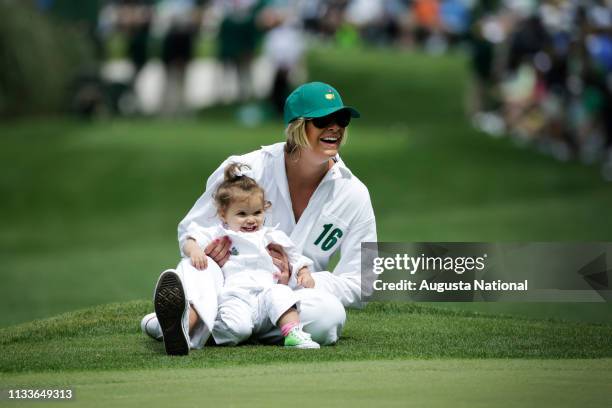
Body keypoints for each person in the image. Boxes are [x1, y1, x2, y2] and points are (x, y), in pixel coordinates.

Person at [141, 81, 377, 354]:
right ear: (297, 126)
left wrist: (301, 279)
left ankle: (183, 326)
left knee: (329, 316)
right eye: (323, 119)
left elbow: (365, 281)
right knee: (200, 267)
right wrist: (209, 251)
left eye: (342, 119)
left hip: (285, 300)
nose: (335, 127)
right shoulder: (246, 168)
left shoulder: (354, 193)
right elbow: (193, 228)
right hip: (228, 286)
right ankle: (201, 321)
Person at [172, 162, 320, 353]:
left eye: (257, 213)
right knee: (238, 330)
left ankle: (293, 333)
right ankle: (192, 328)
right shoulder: (219, 233)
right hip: (235, 296)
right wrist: (195, 251)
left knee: (281, 294)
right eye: (242, 214)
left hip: (266, 294)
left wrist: (305, 272)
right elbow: (190, 239)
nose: (251, 219)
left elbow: (294, 257)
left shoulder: (270, 235)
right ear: (223, 214)